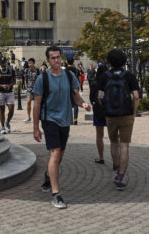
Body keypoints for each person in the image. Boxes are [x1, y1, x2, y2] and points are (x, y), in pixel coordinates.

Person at [32, 46, 91, 209]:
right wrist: (36, 127)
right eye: (53, 58)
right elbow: (37, 104)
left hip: (65, 119)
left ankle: (47, 176)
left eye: (58, 57)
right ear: (48, 60)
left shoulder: (68, 75)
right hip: (49, 119)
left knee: (59, 156)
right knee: (56, 152)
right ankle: (56, 194)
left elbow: (76, 96)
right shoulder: (42, 78)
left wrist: (84, 103)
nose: (56, 60)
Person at [96, 48, 140, 190]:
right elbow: (137, 96)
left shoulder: (105, 76)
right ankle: (121, 175)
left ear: (109, 61)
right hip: (126, 114)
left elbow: (99, 97)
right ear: (123, 61)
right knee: (125, 145)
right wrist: (134, 113)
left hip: (110, 115)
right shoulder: (129, 76)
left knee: (114, 142)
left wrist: (106, 108)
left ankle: (116, 166)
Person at [88, 66, 108, 166]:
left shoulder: (94, 83)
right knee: (114, 137)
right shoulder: (110, 82)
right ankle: (116, 159)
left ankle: (101, 157)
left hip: (98, 112)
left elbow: (91, 98)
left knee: (99, 135)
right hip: (111, 112)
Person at [0, 56, 16, 133]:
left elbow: (14, 80)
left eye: (4, 62)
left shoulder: (11, 69)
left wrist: (9, 85)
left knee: (11, 109)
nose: (3, 64)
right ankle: (2, 127)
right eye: (2, 63)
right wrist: (2, 86)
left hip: (9, 92)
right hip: (0, 92)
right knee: (2, 110)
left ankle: (7, 122)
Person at [23, 58, 40, 123]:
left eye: (30, 63)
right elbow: (25, 79)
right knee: (28, 102)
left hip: (36, 89)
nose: (29, 64)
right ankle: (28, 117)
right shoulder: (27, 70)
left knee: (36, 104)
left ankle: (36, 117)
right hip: (29, 88)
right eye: (28, 63)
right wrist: (26, 86)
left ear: (34, 63)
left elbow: (39, 79)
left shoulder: (37, 70)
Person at [66, 59, 82, 125]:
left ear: (67, 62)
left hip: (66, 88)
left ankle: (68, 119)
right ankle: (75, 119)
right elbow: (80, 79)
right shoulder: (76, 70)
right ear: (73, 62)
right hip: (75, 88)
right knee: (76, 104)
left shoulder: (64, 70)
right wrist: (79, 87)